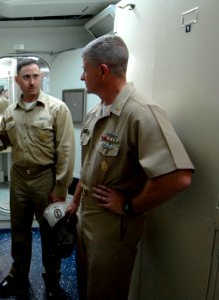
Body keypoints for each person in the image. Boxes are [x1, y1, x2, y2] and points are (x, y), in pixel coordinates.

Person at [65, 35, 194, 300]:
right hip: (85, 219)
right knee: (87, 287)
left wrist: (130, 205)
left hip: (114, 229)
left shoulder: (140, 112)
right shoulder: (96, 112)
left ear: (102, 71)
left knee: (106, 293)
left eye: (84, 70)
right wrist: (75, 203)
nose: (81, 77)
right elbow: (89, 166)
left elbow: (179, 177)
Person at [0, 59, 75, 299]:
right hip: (19, 178)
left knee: (51, 233)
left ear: (41, 78)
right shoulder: (10, 111)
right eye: (26, 77)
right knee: (19, 231)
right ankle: (18, 275)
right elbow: (3, 141)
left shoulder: (56, 109)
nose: (32, 81)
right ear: (17, 80)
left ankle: (52, 281)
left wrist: (60, 187)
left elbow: (66, 151)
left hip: (45, 178)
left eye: (36, 76)